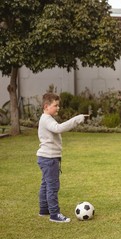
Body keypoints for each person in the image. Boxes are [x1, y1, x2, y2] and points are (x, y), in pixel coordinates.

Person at [37, 93, 88, 223]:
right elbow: (58, 128)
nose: (58, 108)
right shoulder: (47, 119)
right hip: (49, 159)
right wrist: (76, 119)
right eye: (56, 105)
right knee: (52, 186)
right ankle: (54, 214)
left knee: (45, 184)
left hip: (45, 157)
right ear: (46, 106)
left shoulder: (46, 118)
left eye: (58, 105)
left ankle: (44, 210)